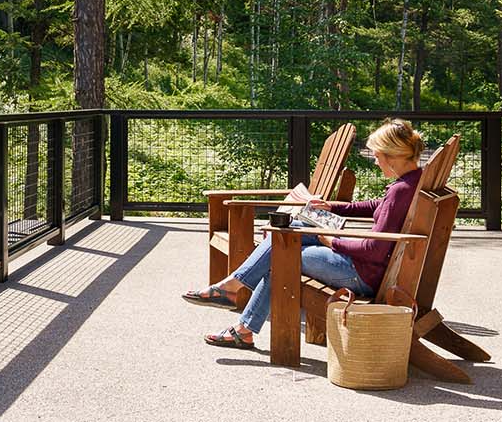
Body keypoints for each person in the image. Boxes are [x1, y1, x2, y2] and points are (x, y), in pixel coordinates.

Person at [181, 118, 425, 348]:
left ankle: (234, 299)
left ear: (392, 156)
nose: (375, 161)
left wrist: (330, 240)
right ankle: (237, 310)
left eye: (377, 156)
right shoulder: (413, 181)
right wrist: (333, 206)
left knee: (282, 252)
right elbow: (377, 208)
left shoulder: (400, 191)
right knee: (290, 235)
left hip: (362, 273)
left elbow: (375, 250)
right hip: (370, 268)